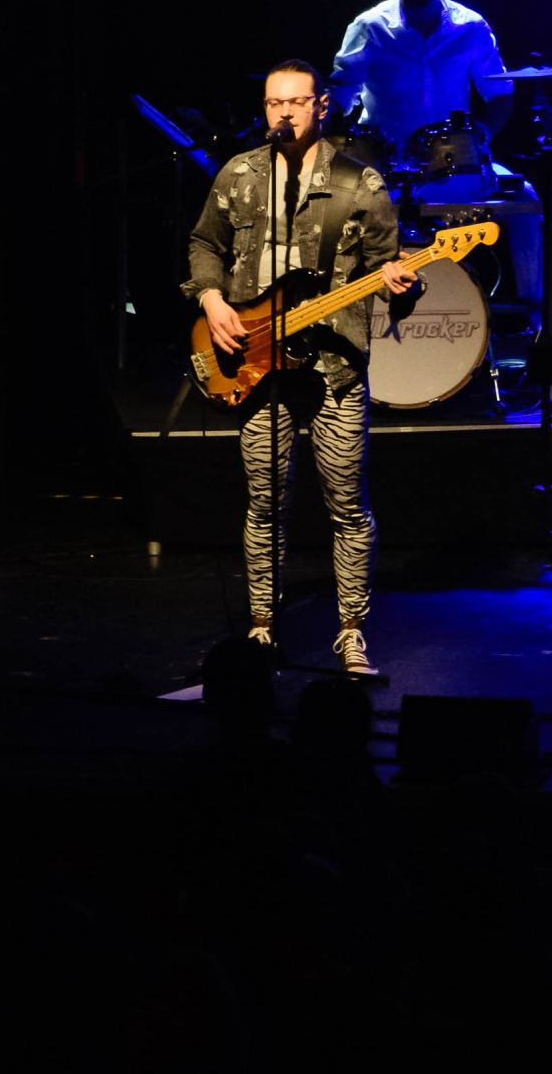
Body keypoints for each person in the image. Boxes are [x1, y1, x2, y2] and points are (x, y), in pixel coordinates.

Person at [184, 59, 416, 675]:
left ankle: (351, 630)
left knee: (346, 504)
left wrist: (402, 284)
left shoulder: (359, 184)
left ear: (321, 106)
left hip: (335, 368)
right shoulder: (240, 174)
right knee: (264, 503)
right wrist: (212, 299)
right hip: (256, 363)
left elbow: (389, 271)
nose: (283, 112)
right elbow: (204, 243)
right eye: (273, 102)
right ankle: (262, 624)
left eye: (295, 102)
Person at [329, 0, 541, 299]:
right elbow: (337, 98)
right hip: (386, 171)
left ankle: (534, 312)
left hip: (454, 168)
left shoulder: (470, 27)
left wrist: (479, 139)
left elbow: (500, 96)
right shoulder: (370, 27)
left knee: (526, 199)